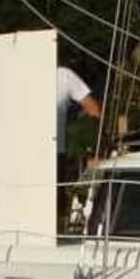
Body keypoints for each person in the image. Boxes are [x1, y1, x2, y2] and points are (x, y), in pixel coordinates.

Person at [56, 66, 101, 229]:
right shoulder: (17, 72)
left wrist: (93, 149)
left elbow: (94, 109)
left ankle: (59, 229)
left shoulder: (63, 75)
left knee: (57, 201)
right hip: (21, 151)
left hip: (56, 153)